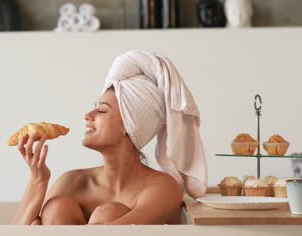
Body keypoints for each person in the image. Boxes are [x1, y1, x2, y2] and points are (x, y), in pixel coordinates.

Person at [11, 50, 208, 225]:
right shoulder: (72, 181)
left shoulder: (164, 188)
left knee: (108, 213)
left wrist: (42, 230)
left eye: (102, 111)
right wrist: (38, 180)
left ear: (130, 126)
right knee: (57, 207)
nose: (87, 115)